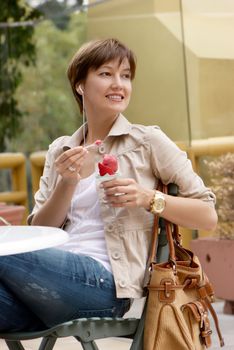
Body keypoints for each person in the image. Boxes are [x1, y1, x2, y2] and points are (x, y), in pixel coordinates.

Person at [0, 38, 217, 332]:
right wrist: (67, 183)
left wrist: (148, 198)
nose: (119, 84)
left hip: (104, 286)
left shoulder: (147, 142)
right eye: (106, 74)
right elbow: (43, 229)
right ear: (80, 85)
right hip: (46, 290)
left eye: (125, 75)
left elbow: (207, 215)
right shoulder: (61, 150)